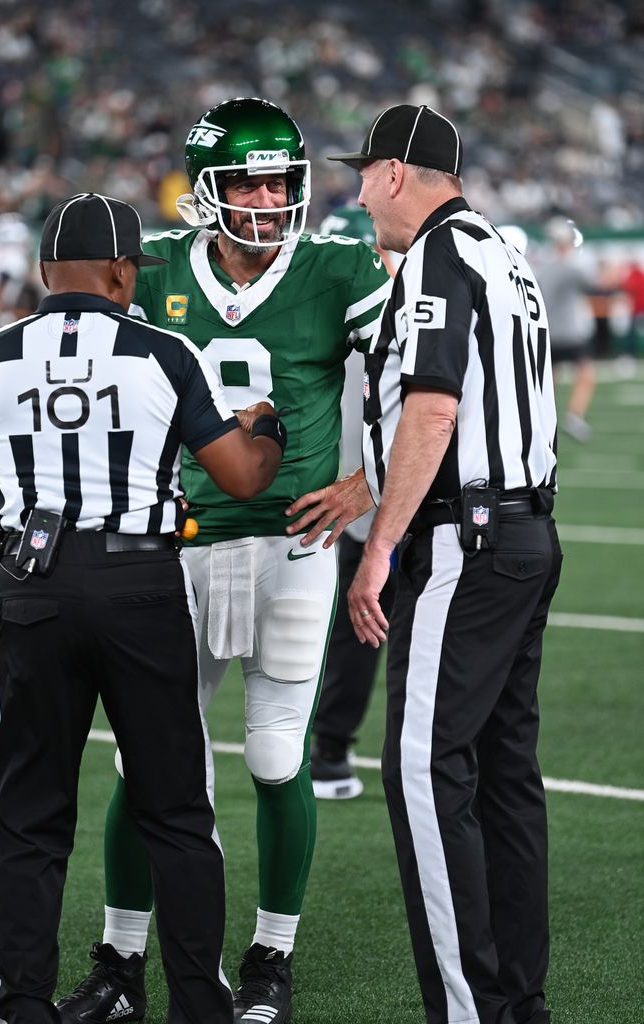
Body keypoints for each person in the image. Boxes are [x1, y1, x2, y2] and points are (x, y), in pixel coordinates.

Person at [57, 98, 391, 1024]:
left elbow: (417, 373)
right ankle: (123, 959)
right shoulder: (153, 265)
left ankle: (270, 957)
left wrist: (365, 482)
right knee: (144, 763)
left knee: (279, 756)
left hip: (294, 543)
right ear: (206, 187)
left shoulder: (335, 268)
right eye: (246, 178)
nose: (265, 195)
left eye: (280, 179)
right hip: (175, 549)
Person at [0, 191, 286, 1024]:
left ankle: (23, 1007)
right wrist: (266, 425)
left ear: (41, 272)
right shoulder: (164, 351)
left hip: (33, 584)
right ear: (121, 270)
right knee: (174, 808)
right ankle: (196, 1007)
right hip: (141, 584)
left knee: (28, 814)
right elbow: (243, 477)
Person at [288, 104, 563, 1024]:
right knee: (503, 774)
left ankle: (470, 1009)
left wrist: (379, 553)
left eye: (365, 173)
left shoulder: (440, 255)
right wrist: (368, 488)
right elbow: (458, 410)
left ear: (398, 172)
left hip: (467, 542)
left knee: (421, 770)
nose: (358, 191)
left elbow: (435, 410)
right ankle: (518, 1001)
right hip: (522, 531)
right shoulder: (503, 253)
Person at [310, 204, 397, 799]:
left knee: (355, 622)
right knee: (358, 622)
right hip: (351, 489)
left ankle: (330, 747)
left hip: (359, 486)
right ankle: (330, 749)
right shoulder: (373, 310)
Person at [536, 216, 596, 441]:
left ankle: (542, 418)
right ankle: (575, 416)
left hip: (550, 329)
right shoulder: (568, 265)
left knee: (551, 378)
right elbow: (592, 280)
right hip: (570, 331)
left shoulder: (545, 265)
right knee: (586, 373)